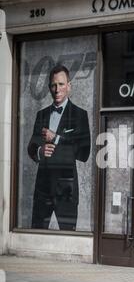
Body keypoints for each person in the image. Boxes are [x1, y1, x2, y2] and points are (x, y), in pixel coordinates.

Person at [28, 65, 91, 230]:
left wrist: (56, 138)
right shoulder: (41, 115)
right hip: (42, 189)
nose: (57, 89)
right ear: (49, 87)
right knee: (37, 236)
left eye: (61, 84)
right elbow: (31, 147)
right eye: (54, 85)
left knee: (68, 237)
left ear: (69, 86)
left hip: (66, 190)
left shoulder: (79, 115)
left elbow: (84, 152)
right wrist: (39, 151)